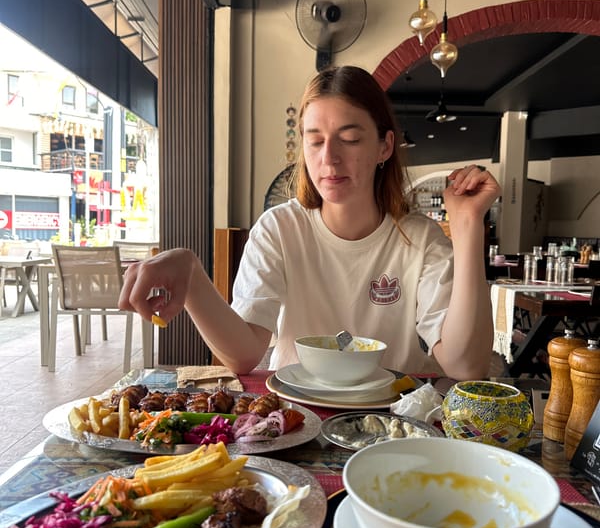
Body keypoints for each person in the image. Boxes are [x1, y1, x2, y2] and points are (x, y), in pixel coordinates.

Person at [119, 65, 500, 379]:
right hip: (295, 418)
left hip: (391, 423)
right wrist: (191, 276)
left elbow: (465, 365)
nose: (329, 158)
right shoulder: (280, 230)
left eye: (349, 139)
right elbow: (243, 356)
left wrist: (467, 227)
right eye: (315, 140)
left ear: (384, 146)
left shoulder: (420, 238)